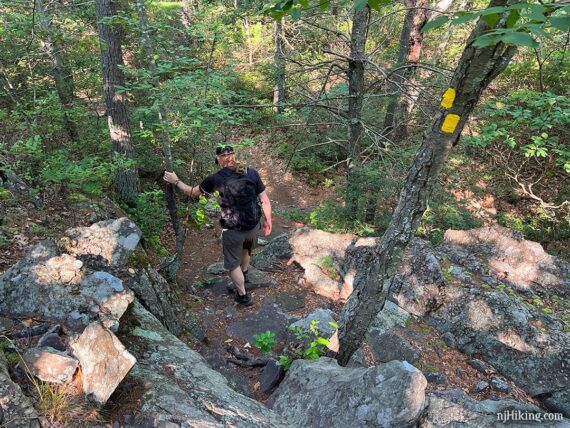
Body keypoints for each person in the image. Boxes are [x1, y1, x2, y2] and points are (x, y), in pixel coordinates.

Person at [163, 145, 272, 306]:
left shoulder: (215, 178)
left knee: (232, 264)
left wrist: (176, 180)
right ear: (234, 156)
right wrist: (268, 220)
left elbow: (193, 192)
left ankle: (243, 296)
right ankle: (245, 273)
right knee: (246, 248)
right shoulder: (251, 172)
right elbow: (264, 199)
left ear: (218, 159)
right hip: (253, 224)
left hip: (232, 228)